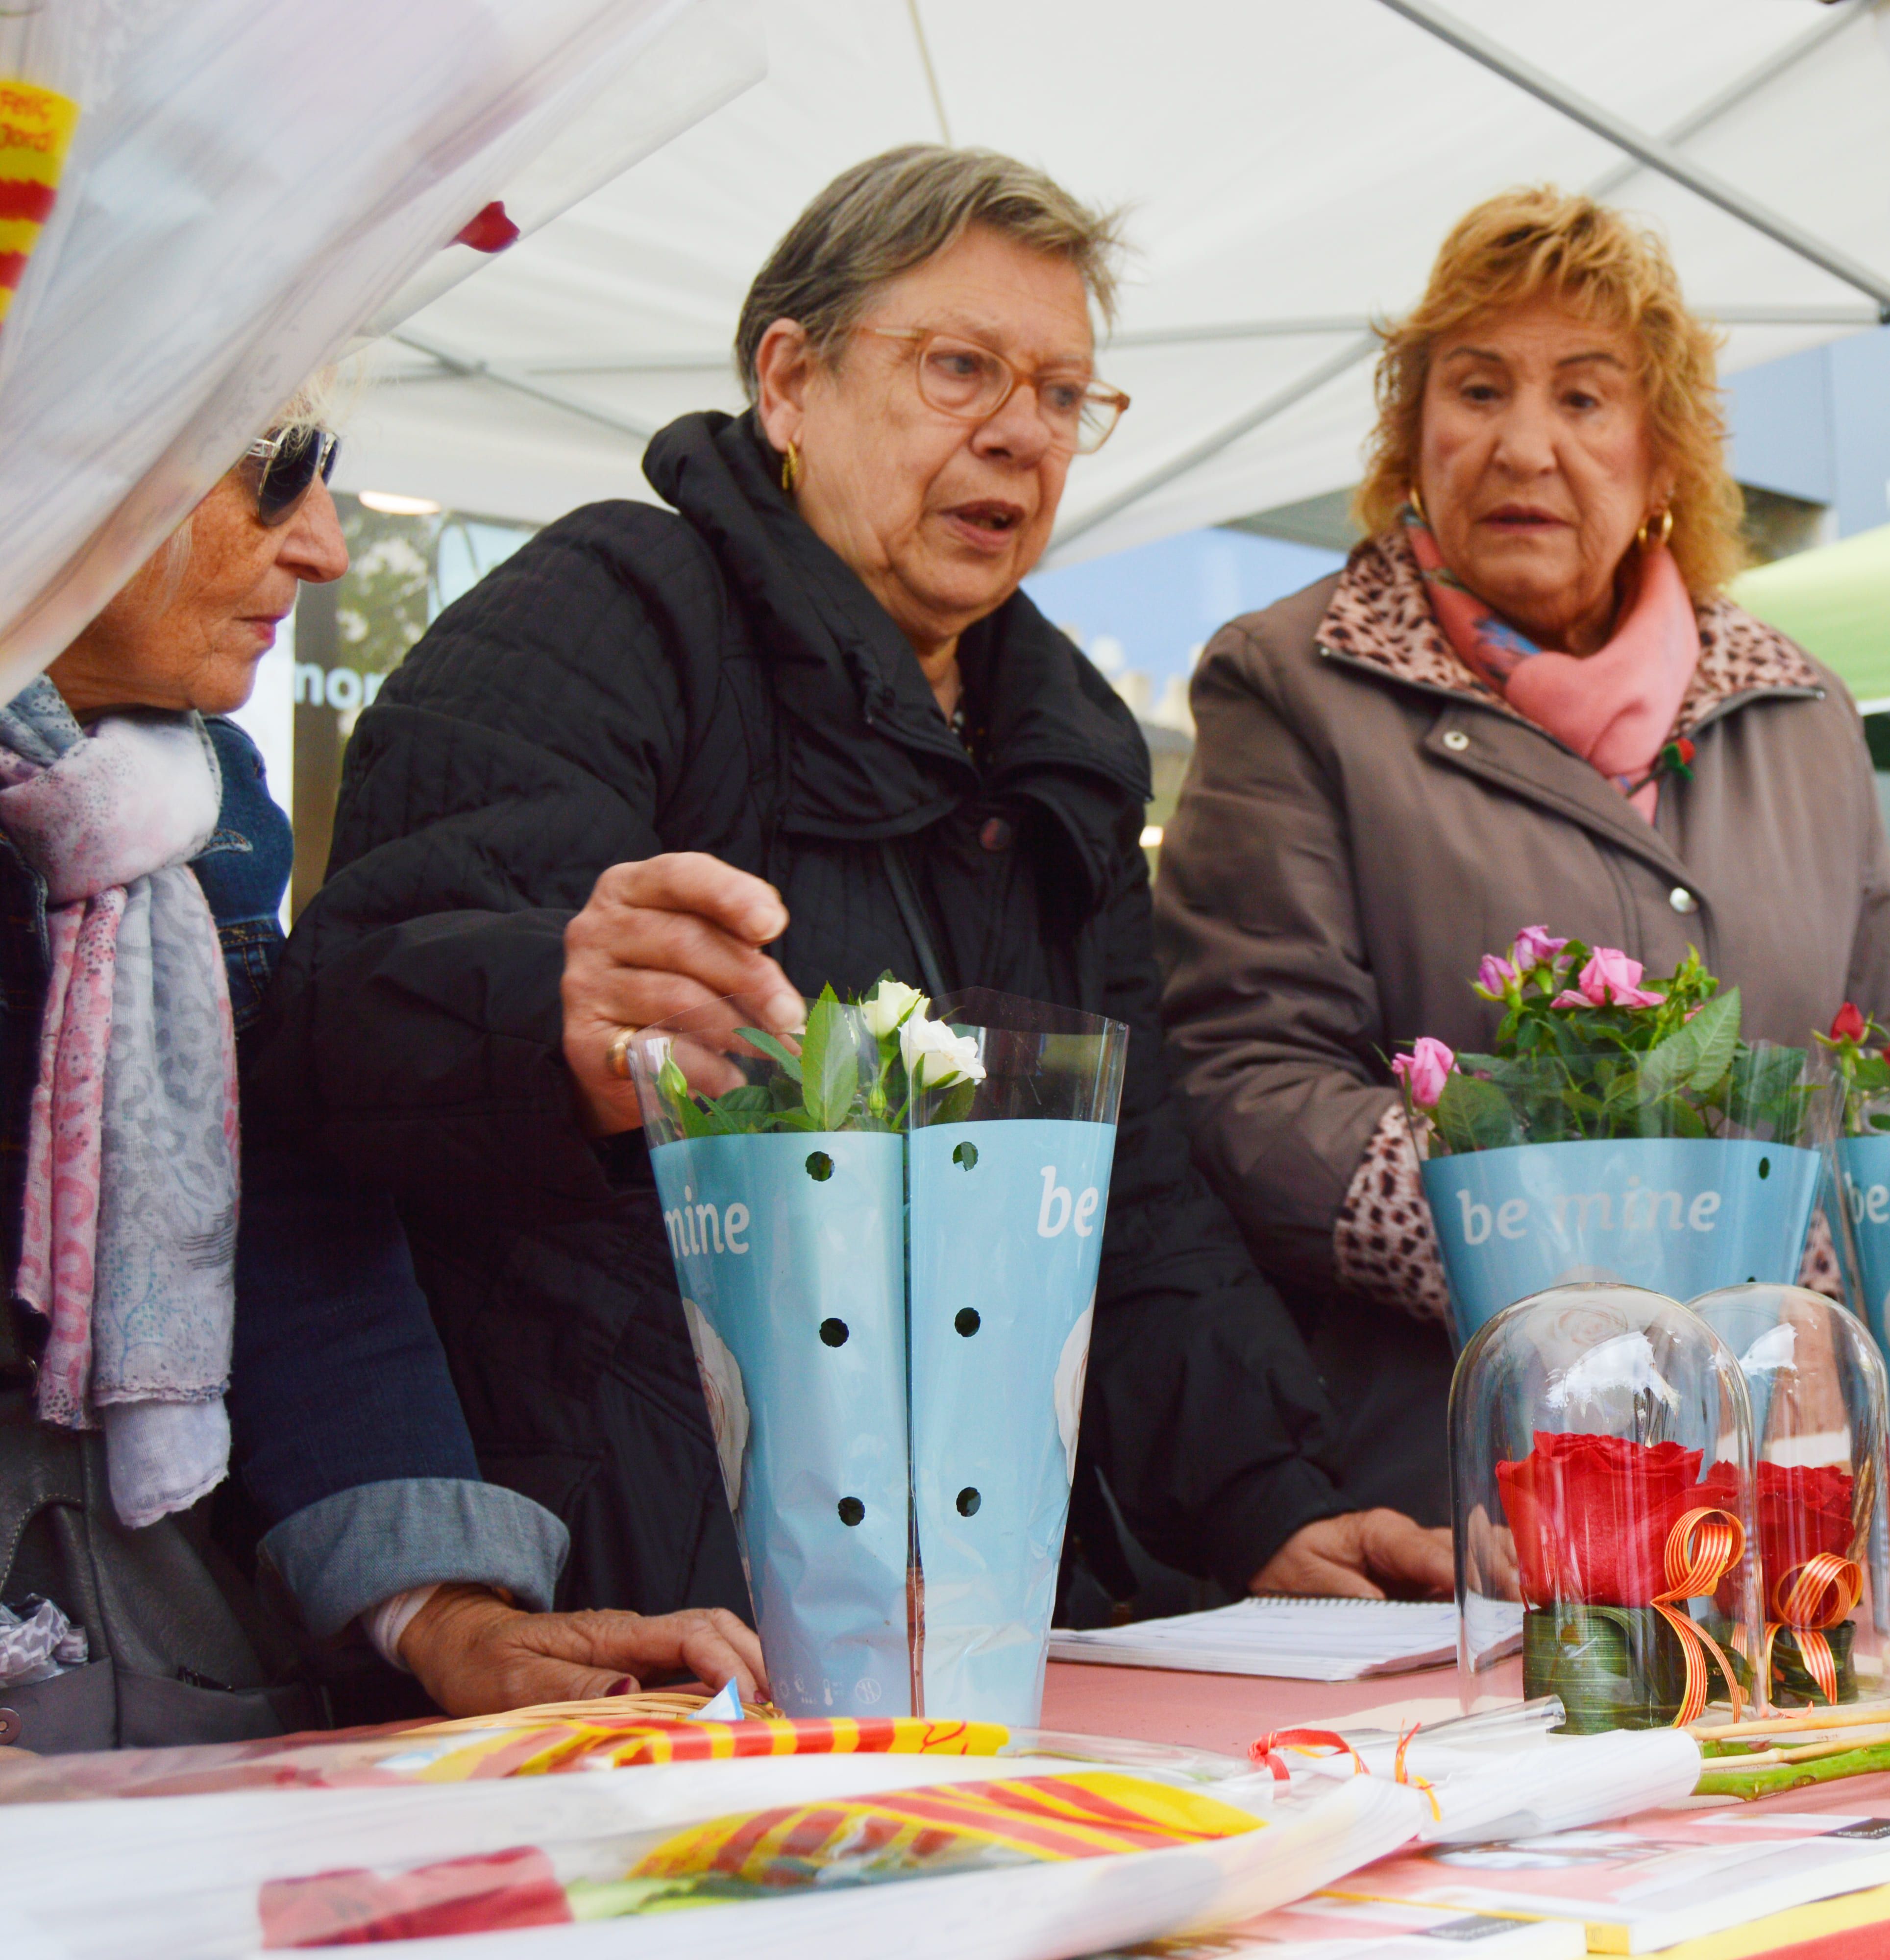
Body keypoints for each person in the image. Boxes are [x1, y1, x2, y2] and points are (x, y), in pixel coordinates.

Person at [258, 146, 1449, 1623]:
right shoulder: (607, 613)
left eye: (1065, 395)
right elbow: (337, 1028)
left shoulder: (1068, 744)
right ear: (789, 381)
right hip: (650, 1585)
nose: (1023, 435)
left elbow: (1129, 1193)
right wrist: (544, 1014)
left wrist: (1270, 1505)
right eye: (962, 368)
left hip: (993, 1600)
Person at [1154, 188, 1890, 1521]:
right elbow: (1248, 1080)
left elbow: (1887, 1081)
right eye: (1476, 389)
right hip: (1451, 1492)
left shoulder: (1802, 711)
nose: (1522, 445)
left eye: (1583, 398)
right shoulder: (1291, 682)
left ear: (1663, 450)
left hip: (1785, 1487)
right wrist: (1578, 1261)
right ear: (1414, 433)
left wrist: (1788, 1293)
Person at [0, 401, 758, 1751]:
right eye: (277, 473)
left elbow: (278, 1219)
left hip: (145, 1670)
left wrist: (445, 1612)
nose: (329, 549)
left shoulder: (202, 810)